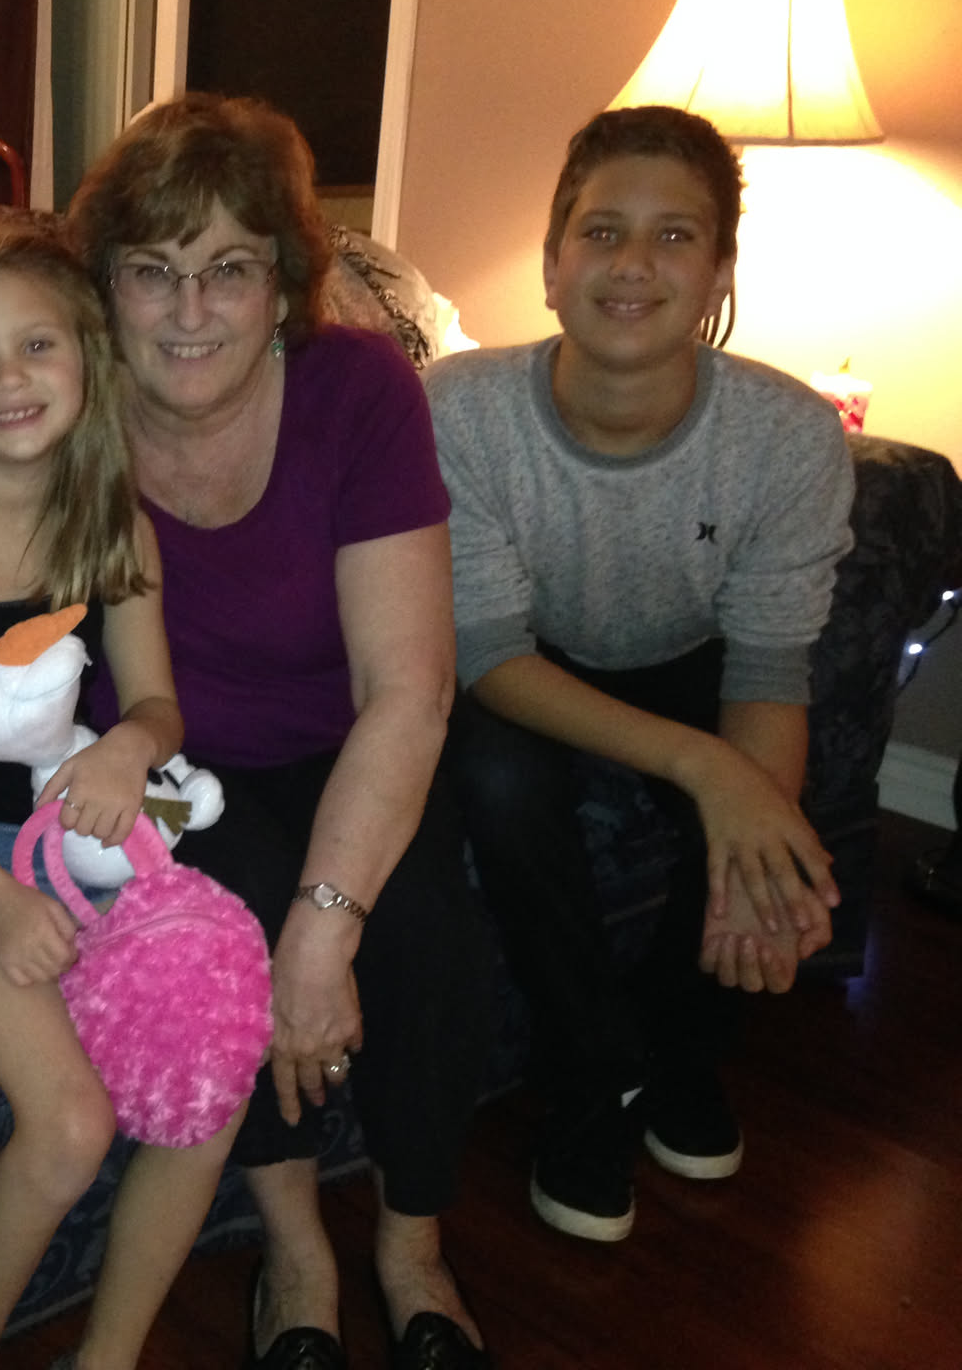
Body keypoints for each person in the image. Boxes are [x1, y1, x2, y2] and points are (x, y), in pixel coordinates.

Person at [66, 94, 493, 1370]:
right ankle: (296, 1249)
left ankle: (412, 1243)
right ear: (107, 287)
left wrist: (328, 924)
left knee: (422, 919)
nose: (190, 310)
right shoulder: (65, 407)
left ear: (283, 284)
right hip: (162, 765)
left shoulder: (360, 391)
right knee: (223, 933)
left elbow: (410, 690)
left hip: (346, 736)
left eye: (229, 270)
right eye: (153, 271)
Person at [424, 105, 853, 1245]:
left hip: (695, 660)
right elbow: (488, 652)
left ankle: (681, 1045)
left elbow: (770, 662)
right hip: (528, 667)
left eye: (675, 237)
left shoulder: (789, 437)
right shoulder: (460, 411)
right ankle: (590, 1068)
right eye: (603, 231)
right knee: (496, 776)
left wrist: (753, 846)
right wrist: (707, 769)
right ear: (552, 262)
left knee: (767, 803)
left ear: (720, 275)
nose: (632, 264)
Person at [0, 228, 244, 1370]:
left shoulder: (114, 529)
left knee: (212, 1069)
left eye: (37, 345)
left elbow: (160, 705)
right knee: (71, 1126)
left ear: (86, 361)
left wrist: (131, 745)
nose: (10, 377)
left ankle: (107, 1356)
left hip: (65, 840)